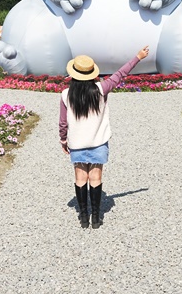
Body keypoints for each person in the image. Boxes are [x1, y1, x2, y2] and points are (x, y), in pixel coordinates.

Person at [60, 45, 150, 229]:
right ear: (91, 73)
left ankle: (83, 217)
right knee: (96, 178)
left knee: (80, 178)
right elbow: (120, 74)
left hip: (77, 143)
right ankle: (96, 218)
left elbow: (63, 123)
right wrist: (137, 57)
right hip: (98, 142)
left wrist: (63, 140)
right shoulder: (102, 89)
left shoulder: (66, 94)